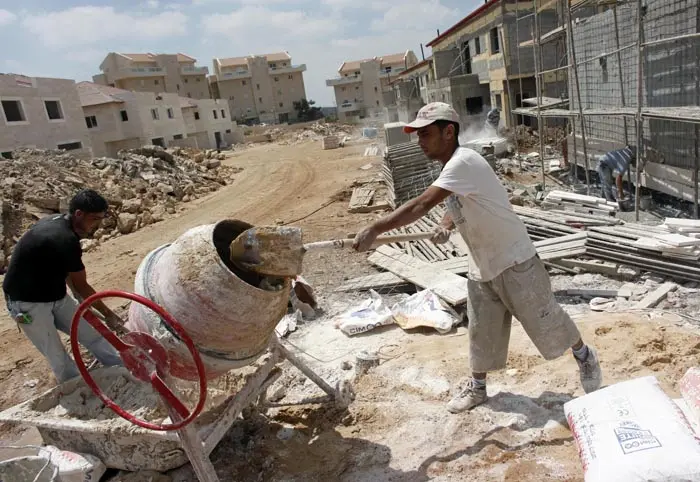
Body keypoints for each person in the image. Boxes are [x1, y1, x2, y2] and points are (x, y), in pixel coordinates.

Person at [353, 102, 602, 414]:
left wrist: (376, 228)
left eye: (425, 134)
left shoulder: (463, 162)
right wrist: (446, 225)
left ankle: (584, 356)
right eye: (417, 135)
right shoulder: (451, 168)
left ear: (448, 132)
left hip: (514, 260)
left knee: (546, 323)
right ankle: (478, 388)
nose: (420, 141)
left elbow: (422, 205)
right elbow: (454, 203)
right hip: (482, 264)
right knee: (481, 332)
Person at [3, 189, 123, 383]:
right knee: (56, 352)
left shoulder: (63, 226)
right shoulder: (64, 238)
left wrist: (77, 298)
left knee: (91, 333)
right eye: (94, 219)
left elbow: (68, 273)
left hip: (55, 295)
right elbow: (83, 286)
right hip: (27, 303)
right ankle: (77, 390)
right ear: (78, 214)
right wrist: (110, 316)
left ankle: (121, 368)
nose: (97, 225)